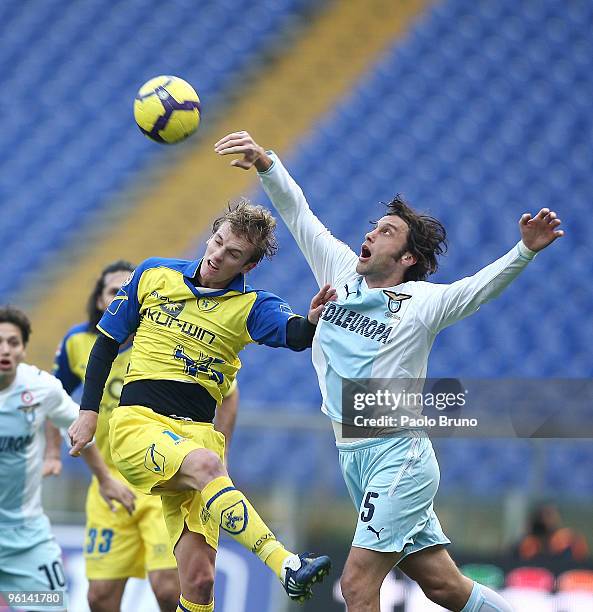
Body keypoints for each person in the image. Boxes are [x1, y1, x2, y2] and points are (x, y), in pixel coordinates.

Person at [214, 130, 565, 612]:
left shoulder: (422, 302)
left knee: (357, 585)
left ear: (407, 258)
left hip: (398, 456)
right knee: (444, 587)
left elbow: (479, 288)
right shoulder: (339, 272)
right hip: (353, 454)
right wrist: (265, 163)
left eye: (387, 232)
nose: (371, 234)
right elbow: (299, 215)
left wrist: (523, 250)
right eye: (374, 227)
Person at [68, 201, 336, 611]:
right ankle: (286, 566)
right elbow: (106, 342)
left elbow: (296, 334)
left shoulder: (252, 307)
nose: (217, 255)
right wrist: (88, 413)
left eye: (233, 254)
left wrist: (314, 320)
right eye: (217, 241)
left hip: (194, 435)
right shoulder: (154, 273)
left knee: (199, 583)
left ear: (247, 266)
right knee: (210, 467)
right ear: (212, 234)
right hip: (137, 425)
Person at [49, 261, 181, 612]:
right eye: (113, 292)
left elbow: (229, 395)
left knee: (169, 590)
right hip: (107, 485)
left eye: (128, 290)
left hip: (160, 482)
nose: (120, 298)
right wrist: (51, 452)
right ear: (99, 300)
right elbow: (51, 396)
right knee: (100, 596)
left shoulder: (163, 340)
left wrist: (222, 447)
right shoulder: (78, 342)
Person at [0, 306, 134, 612]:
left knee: (48, 605)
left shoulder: (40, 389)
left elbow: (78, 430)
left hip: (25, 537)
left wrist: (104, 479)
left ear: (23, 350)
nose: (5, 350)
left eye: (13, 342)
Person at [515, 503, 589, 562]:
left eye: (550, 514)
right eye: (546, 514)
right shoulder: (529, 542)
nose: (548, 519)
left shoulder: (565, 538)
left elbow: (582, 559)